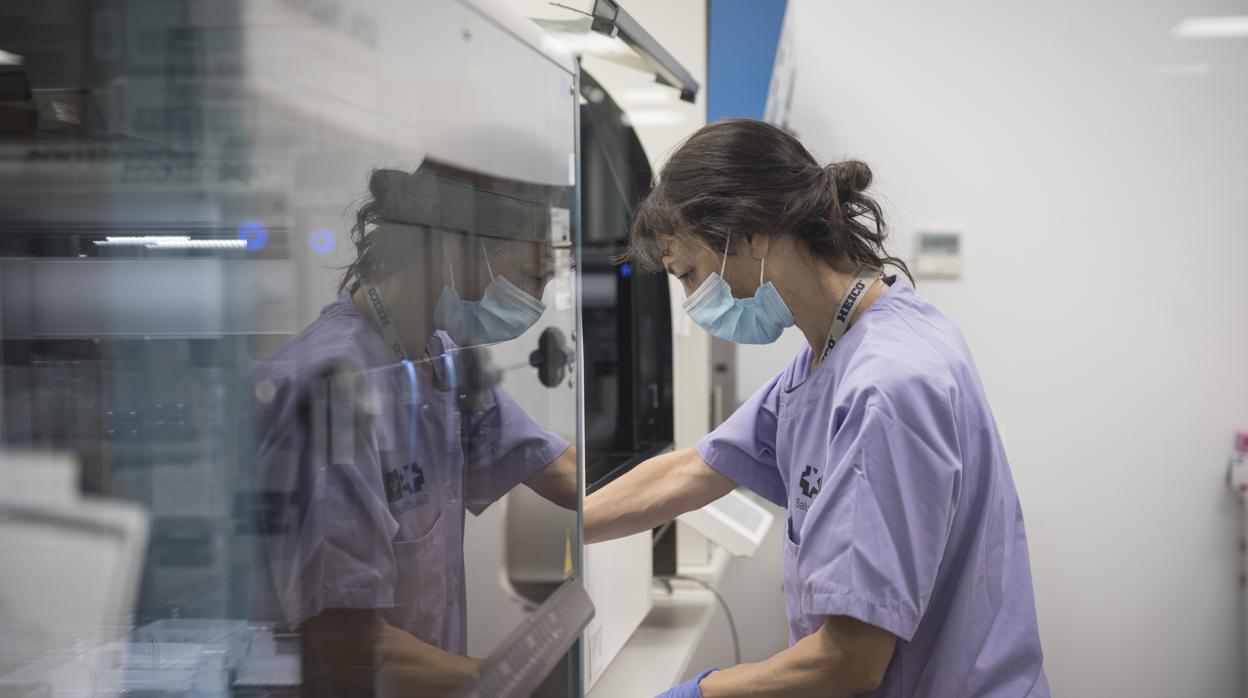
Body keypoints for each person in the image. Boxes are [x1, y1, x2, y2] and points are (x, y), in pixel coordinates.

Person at [585, 119, 1048, 697]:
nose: (690, 303)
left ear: (752, 232)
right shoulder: (832, 351)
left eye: (690, 275)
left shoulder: (887, 384)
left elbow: (849, 661)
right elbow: (698, 468)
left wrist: (695, 694)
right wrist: (567, 528)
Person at [251, 166, 577, 697]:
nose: (537, 300)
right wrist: (505, 681)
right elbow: (346, 645)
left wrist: (699, 474)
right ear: (454, 245)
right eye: (533, 274)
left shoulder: (441, 356)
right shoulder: (329, 390)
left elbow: (557, 469)